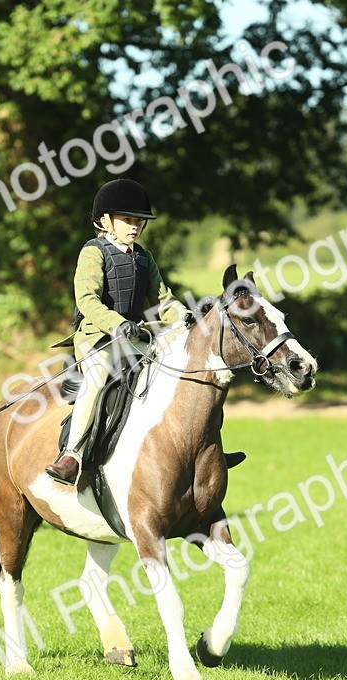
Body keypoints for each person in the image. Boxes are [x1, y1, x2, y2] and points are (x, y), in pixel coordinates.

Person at [44, 177, 244, 484]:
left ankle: (210, 449)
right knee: (97, 379)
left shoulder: (143, 257)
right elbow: (87, 301)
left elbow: (163, 299)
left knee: (196, 373)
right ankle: (72, 454)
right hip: (99, 339)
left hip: (137, 337)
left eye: (138, 220)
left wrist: (185, 317)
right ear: (104, 220)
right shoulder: (93, 253)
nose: (134, 226)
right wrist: (118, 324)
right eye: (127, 219)